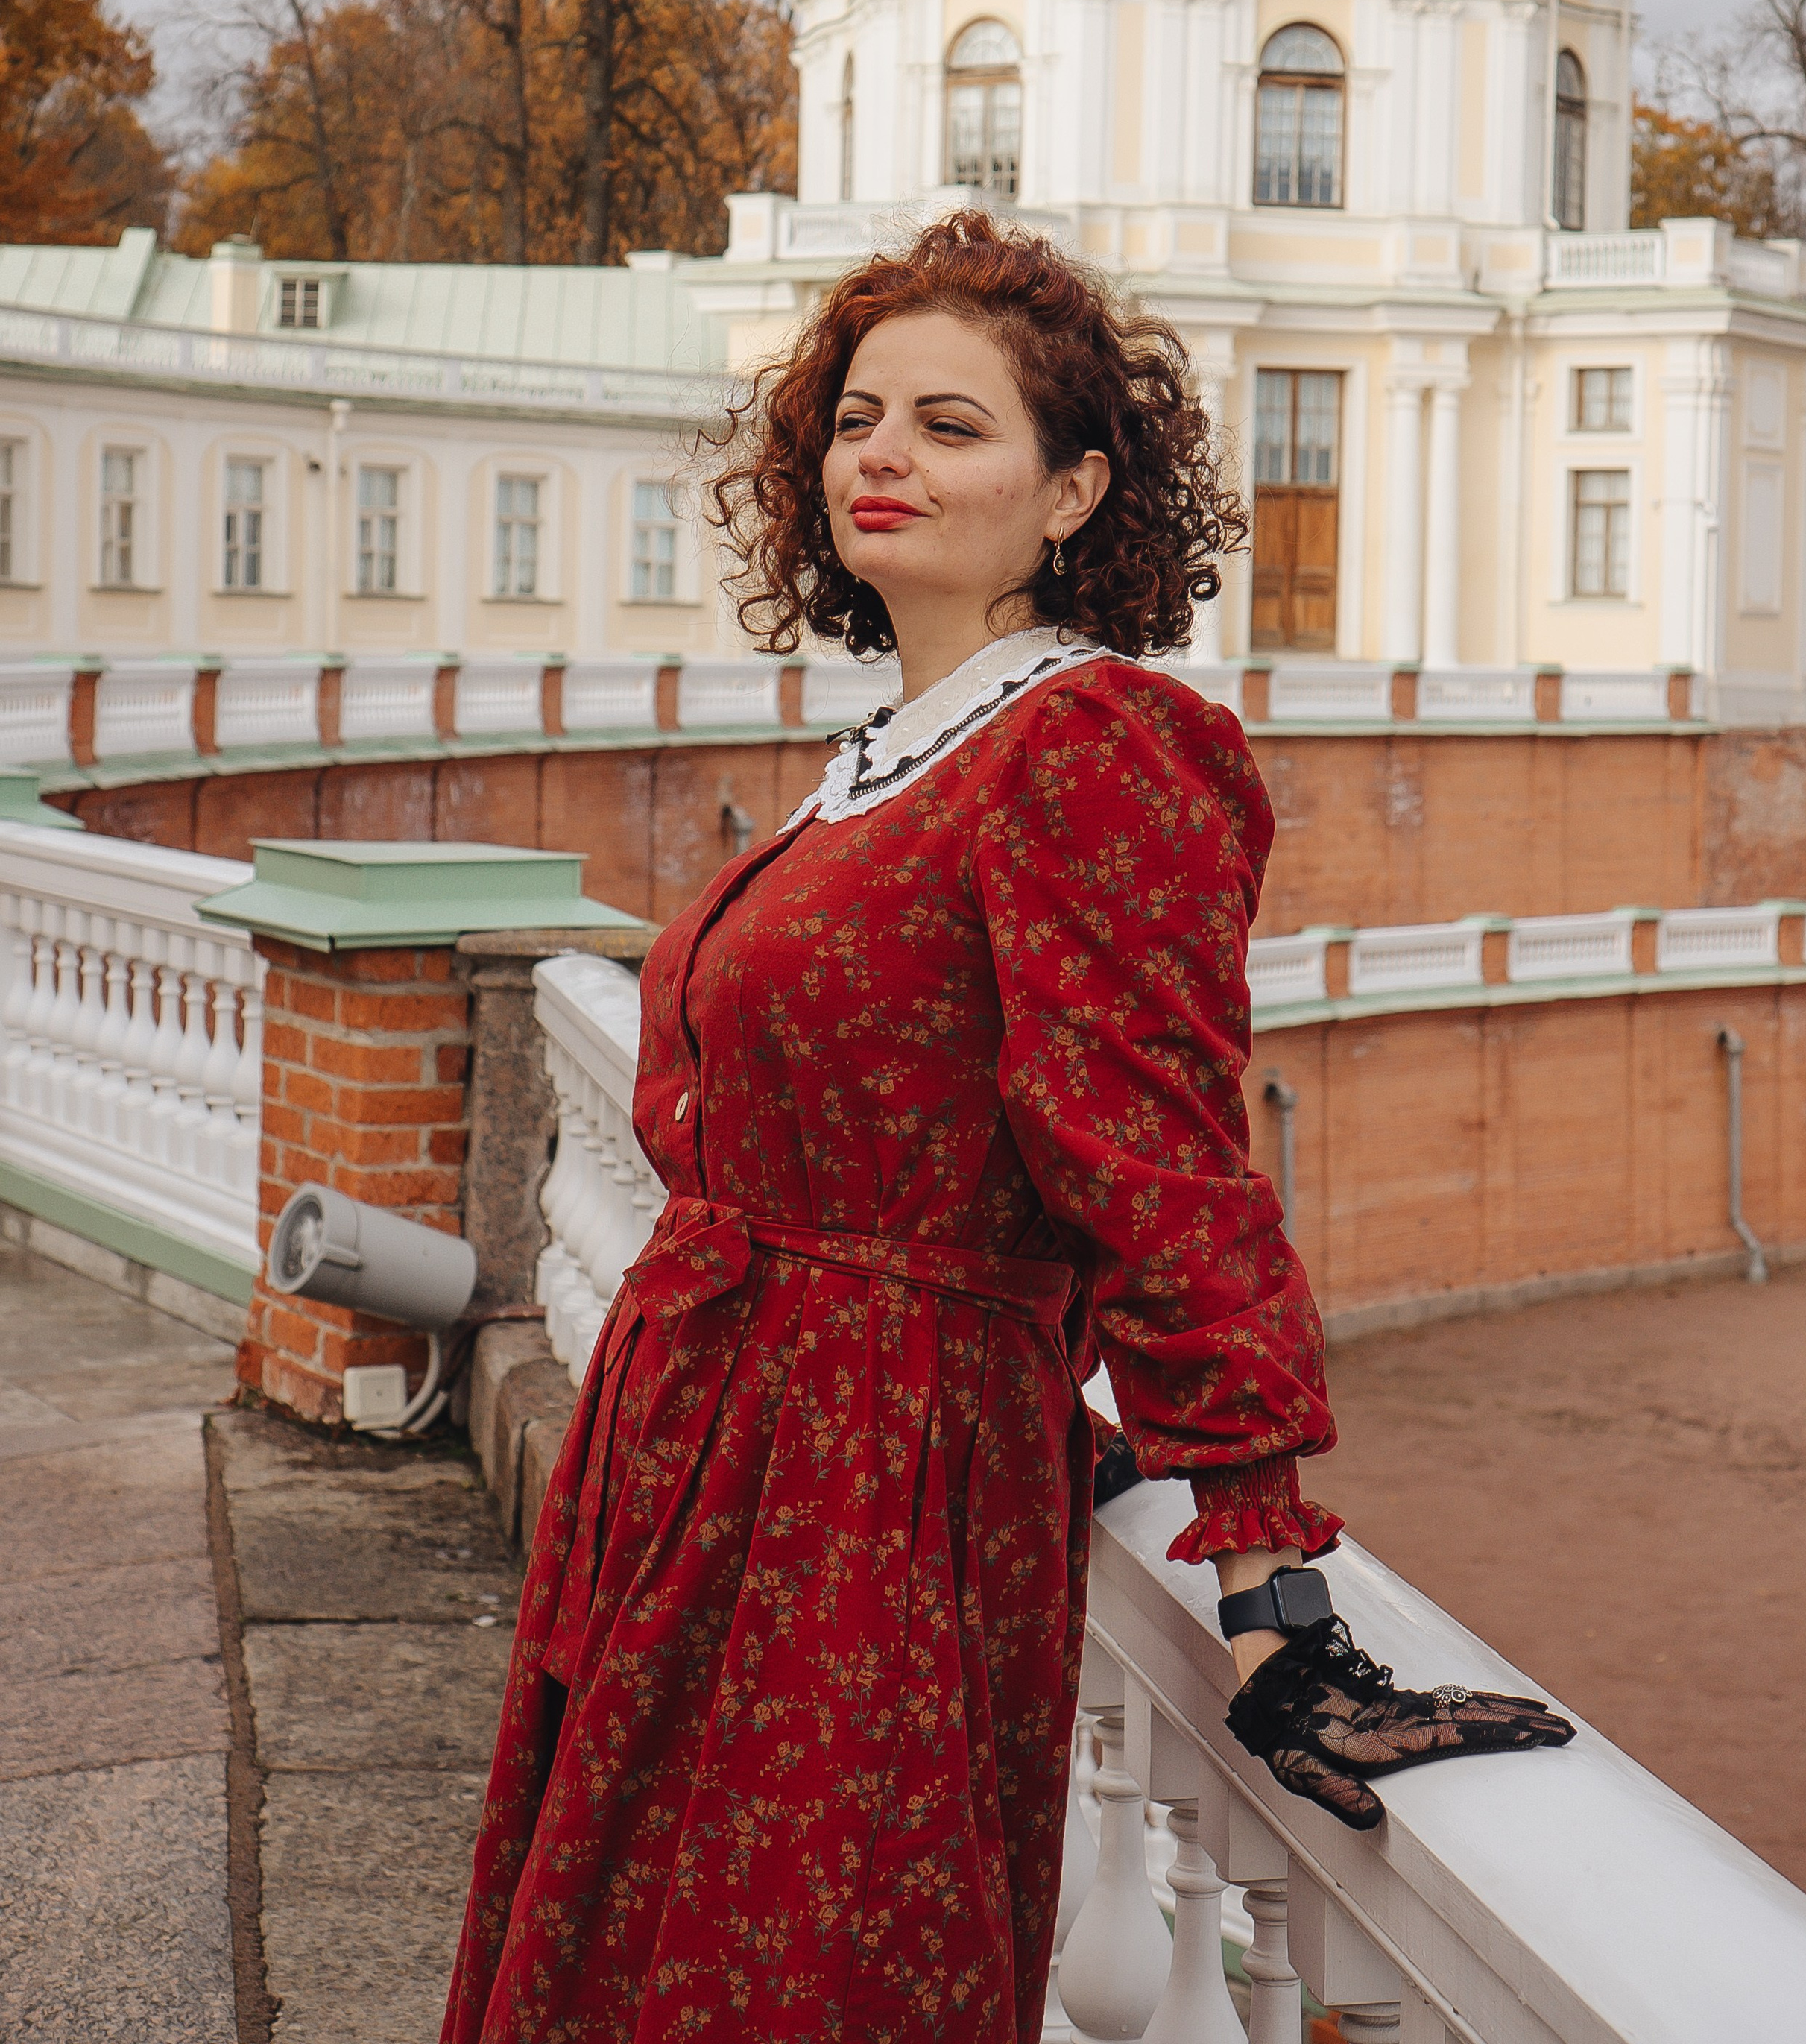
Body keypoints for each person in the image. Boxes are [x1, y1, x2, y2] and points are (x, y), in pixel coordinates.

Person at [441, 211, 1571, 2044]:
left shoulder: (1093, 742)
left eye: (950, 425)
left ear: (1073, 495)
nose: (877, 453)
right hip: (717, 1445)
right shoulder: (892, 753)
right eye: (857, 415)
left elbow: (1157, 1160)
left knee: (786, 1970)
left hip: (865, 1491)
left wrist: (1268, 1584)